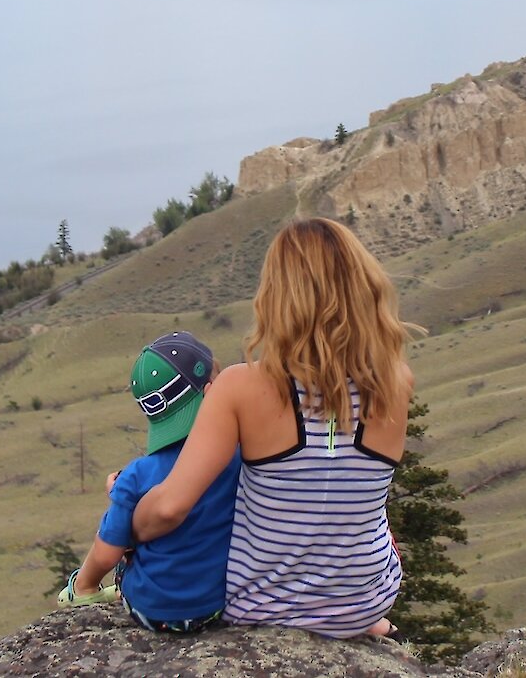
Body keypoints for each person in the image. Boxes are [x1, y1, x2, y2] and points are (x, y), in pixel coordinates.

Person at [131, 218, 420, 639]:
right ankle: (359, 618)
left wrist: (128, 527)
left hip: (261, 607)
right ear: (363, 287)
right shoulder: (396, 381)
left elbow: (170, 508)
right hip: (364, 601)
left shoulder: (240, 386)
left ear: (277, 296)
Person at [61, 331, 241, 633]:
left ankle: (82, 593)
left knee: (127, 556)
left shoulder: (135, 476)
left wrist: (86, 584)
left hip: (151, 612)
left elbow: (106, 553)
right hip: (217, 604)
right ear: (210, 393)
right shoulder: (236, 454)